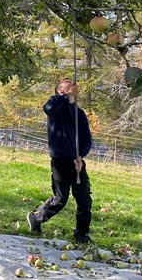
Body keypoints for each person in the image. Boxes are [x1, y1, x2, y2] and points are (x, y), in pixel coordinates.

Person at [27, 78, 93, 243]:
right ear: (60, 91)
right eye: (68, 86)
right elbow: (49, 109)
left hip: (76, 163)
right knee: (60, 198)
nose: (73, 87)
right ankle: (37, 218)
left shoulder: (79, 113)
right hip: (60, 160)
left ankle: (81, 233)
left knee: (84, 199)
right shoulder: (55, 104)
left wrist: (81, 156)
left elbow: (87, 139)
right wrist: (66, 98)